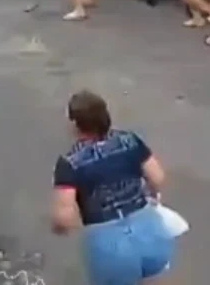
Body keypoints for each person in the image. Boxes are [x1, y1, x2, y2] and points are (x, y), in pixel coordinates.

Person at [51, 90, 174, 285]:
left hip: (109, 244)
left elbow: (64, 217)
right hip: (150, 230)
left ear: (75, 124)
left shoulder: (70, 162)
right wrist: (150, 197)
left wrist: (58, 228)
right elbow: (157, 178)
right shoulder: (129, 140)